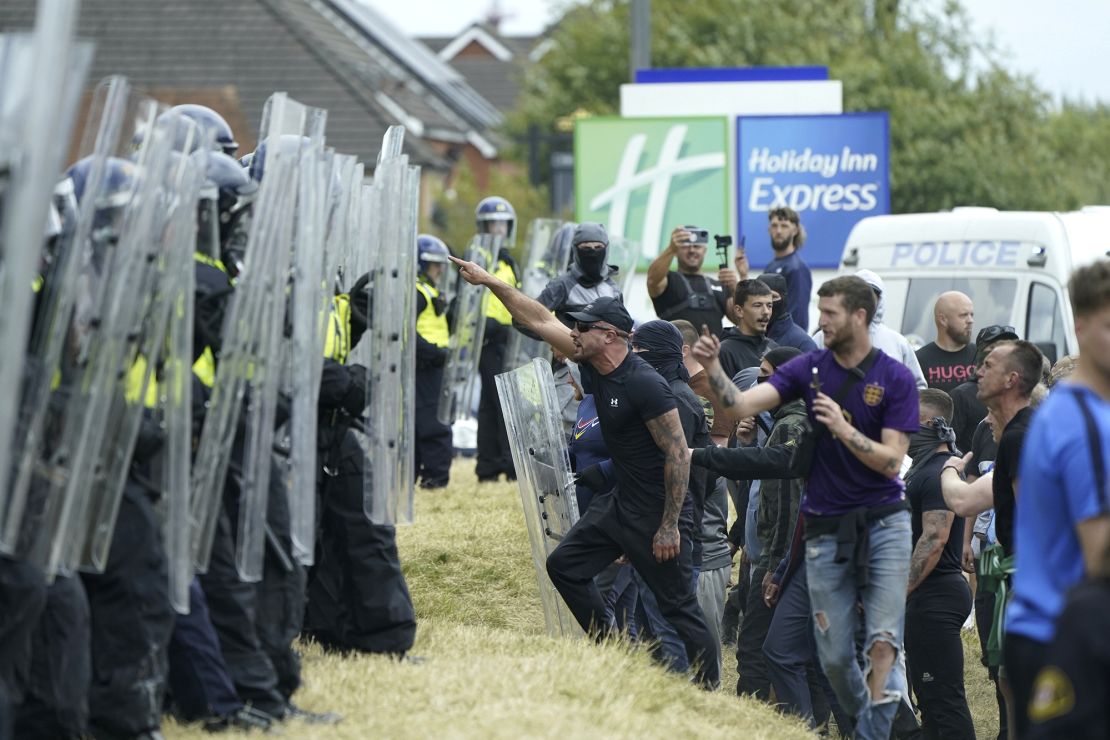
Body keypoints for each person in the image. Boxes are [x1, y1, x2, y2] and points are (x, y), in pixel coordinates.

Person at [449, 251, 720, 689]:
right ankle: (613, 651)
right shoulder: (593, 365)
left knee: (678, 610)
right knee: (565, 567)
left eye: (582, 327)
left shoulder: (644, 383)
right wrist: (489, 283)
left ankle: (710, 695)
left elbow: (678, 454)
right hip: (620, 504)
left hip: (659, 512)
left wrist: (670, 525)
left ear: (610, 335)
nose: (572, 332)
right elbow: (537, 319)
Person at [692, 275, 919, 739]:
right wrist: (713, 368)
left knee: (874, 651)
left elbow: (893, 460)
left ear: (859, 316)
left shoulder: (893, 377)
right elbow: (738, 403)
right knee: (798, 652)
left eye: (830, 313)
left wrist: (843, 428)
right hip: (819, 533)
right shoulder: (811, 368)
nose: (820, 322)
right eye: (820, 312)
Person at [1005, 261, 1110, 738]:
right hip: (1062, 634)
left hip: (1044, 625)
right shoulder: (1084, 424)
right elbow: (1099, 555)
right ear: (1081, 328)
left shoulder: (1067, 410)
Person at [693, 346, 810, 700]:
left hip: (776, 562)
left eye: (766, 375)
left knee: (758, 653)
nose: (759, 383)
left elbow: (790, 508)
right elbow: (758, 495)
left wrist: (775, 567)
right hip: (761, 556)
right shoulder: (776, 424)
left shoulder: (794, 425)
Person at [903, 390, 975, 739]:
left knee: (943, 699)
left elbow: (934, 540)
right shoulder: (923, 471)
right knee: (929, 699)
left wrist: (900, 590)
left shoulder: (936, 475)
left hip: (936, 596)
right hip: (927, 596)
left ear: (931, 425)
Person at [474, 195, 522, 482]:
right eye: (494, 224)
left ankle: (489, 464)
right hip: (488, 338)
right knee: (499, 401)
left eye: (504, 224)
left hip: (510, 338)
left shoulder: (508, 261)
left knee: (492, 402)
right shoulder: (481, 258)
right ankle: (505, 463)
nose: (499, 229)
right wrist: (490, 326)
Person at [647, 226, 738, 338]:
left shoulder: (718, 285)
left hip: (714, 354)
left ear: (704, 251)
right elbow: (652, 280)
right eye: (685, 246)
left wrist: (735, 289)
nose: (692, 250)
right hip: (678, 353)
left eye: (697, 246)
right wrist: (671, 248)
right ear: (676, 251)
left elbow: (739, 319)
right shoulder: (668, 280)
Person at [414, 234, 453, 489]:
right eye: (433, 264)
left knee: (428, 420)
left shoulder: (429, 290)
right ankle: (435, 477)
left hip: (433, 365)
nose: (439, 269)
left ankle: (427, 474)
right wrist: (434, 352)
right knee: (433, 422)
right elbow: (406, 332)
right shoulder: (418, 292)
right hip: (426, 365)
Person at [532, 222, 624, 325]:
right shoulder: (562, 285)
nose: (592, 252)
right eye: (585, 248)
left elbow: (620, 328)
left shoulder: (613, 288)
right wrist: (559, 336)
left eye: (598, 247)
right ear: (575, 249)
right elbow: (527, 320)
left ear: (606, 249)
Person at [948, 325, 1019, 454]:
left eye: (1009, 347)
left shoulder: (1022, 392)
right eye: (994, 348)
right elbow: (948, 446)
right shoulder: (961, 396)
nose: (1002, 353)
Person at [762, 207, 813, 332]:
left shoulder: (797, 268)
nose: (778, 231)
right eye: (774, 225)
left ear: (795, 230)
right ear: (769, 229)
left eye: (784, 226)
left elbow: (798, 318)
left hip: (788, 347)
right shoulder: (771, 266)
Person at [916, 292, 976, 393]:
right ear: (943, 319)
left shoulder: (982, 355)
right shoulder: (919, 360)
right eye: (963, 315)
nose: (970, 320)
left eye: (971, 315)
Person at [717, 279, 777, 380]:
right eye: (758, 305)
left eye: (769, 306)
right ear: (739, 311)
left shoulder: (774, 347)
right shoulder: (723, 352)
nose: (766, 311)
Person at [758, 273, 816, 352]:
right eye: (759, 298)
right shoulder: (747, 336)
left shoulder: (802, 343)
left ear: (784, 298)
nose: (766, 307)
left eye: (772, 297)